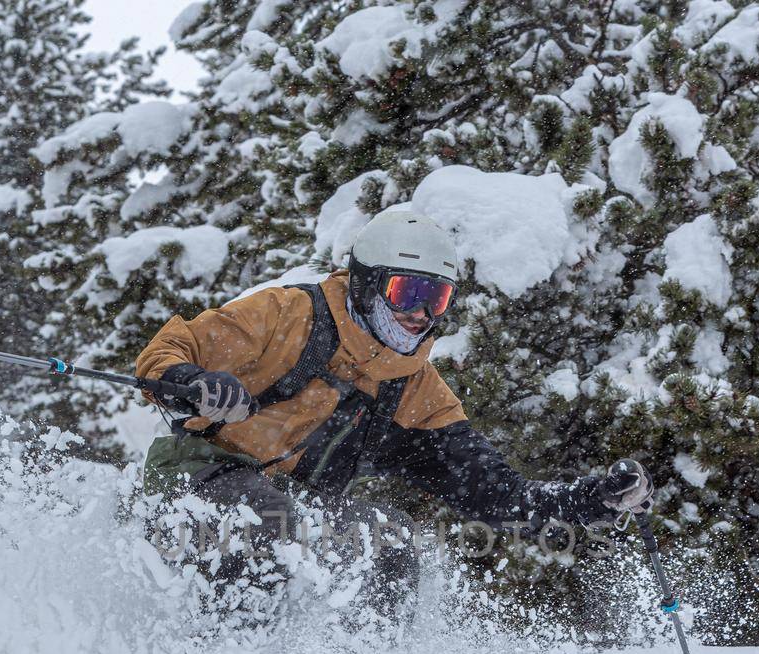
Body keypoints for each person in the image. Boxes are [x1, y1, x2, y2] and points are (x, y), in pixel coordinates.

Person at [136, 209, 651, 616]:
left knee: (390, 542)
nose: (420, 315)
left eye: (438, 298)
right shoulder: (288, 314)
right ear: (366, 282)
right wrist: (192, 381)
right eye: (408, 292)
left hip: (290, 503)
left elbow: (496, 495)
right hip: (193, 473)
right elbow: (173, 348)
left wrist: (590, 501)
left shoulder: (413, 389)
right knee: (266, 522)